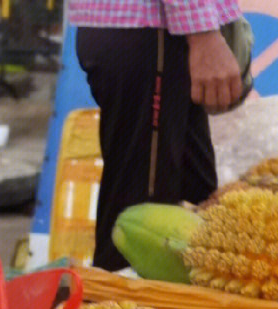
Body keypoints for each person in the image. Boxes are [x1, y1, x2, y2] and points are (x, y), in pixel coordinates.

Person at [69, 0, 243, 270]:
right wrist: (204, 34)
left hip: (159, 31)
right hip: (152, 27)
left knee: (197, 202)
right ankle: (115, 308)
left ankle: (151, 307)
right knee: (140, 222)